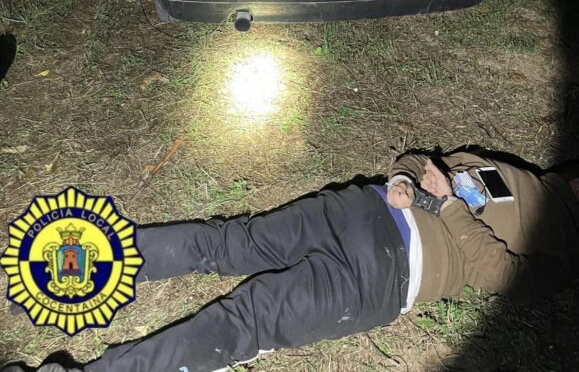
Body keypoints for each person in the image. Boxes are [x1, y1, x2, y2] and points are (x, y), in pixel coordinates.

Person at [4, 151, 579, 372]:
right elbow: (422, 159)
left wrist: (450, 205)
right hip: (357, 209)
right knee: (228, 242)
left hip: (381, 277)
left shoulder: (565, 249)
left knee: (241, 322)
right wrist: (405, 176)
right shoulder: (518, 171)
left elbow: (504, 276)